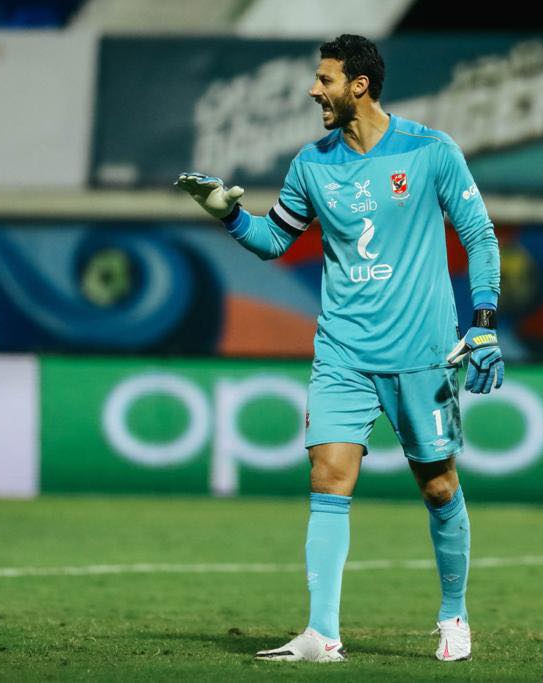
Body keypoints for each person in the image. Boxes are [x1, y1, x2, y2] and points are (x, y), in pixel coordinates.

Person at [176, 34, 502, 663]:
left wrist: (483, 321)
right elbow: (275, 240)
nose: (312, 90)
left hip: (422, 353)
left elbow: (479, 236)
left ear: (359, 85)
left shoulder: (431, 151)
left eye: (324, 79)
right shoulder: (312, 163)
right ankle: (322, 634)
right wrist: (227, 215)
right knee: (328, 475)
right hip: (343, 352)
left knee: (438, 486)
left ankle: (454, 615)